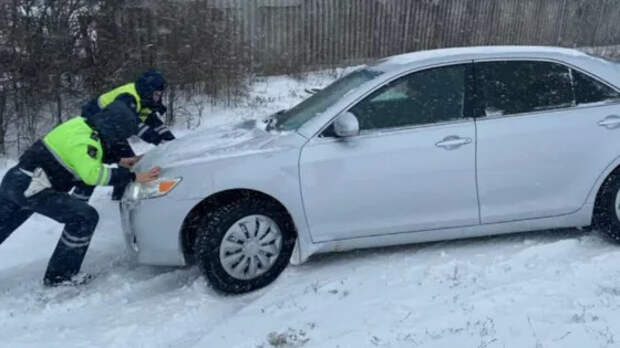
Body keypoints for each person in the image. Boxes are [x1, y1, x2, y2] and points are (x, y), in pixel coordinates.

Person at [0, 98, 161, 286]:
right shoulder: (87, 141)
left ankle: (60, 275)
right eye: (119, 135)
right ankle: (60, 276)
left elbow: (83, 156)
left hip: (17, 181)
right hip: (32, 188)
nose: (119, 140)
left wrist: (120, 161)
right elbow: (92, 175)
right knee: (84, 217)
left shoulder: (81, 124)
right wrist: (132, 176)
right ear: (113, 129)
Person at [74, 69, 175, 202]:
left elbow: (153, 122)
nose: (158, 98)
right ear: (148, 90)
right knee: (95, 166)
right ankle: (82, 203)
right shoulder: (128, 96)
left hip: (109, 130)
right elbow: (136, 126)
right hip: (94, 128)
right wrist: (158, 141)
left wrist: (171, 141)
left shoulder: (142, 99)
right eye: (156, 94)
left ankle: (119, 196)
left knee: (127, 161)